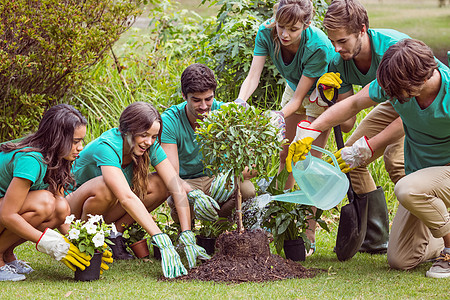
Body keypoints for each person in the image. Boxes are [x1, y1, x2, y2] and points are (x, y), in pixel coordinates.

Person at [288, 38, 450, 277]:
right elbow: (354, 103)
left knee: (407, 189)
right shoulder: (399, 81)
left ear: (421, 79)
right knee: (401, 259)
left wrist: (369, 147)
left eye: (397, 93)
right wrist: (310, 132)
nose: (392, 97)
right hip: (421, 172)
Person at [235, 0, 338, 254]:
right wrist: (239, 102)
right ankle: (278, 225)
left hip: (320, 93)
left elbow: (298, 101)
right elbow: (253, 76)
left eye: (293, 29)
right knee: (285, 156)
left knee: (307, 163)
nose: (284, 34)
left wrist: (277, 116)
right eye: (281, 26)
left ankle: (308, 232)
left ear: (307, 24)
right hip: (296, 86)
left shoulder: (318, 46)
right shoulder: (266, 32)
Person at [309, 0, 413, 254]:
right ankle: (376, 238)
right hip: (391, 102)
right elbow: (346, 124)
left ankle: (419, 229)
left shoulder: (393, 48)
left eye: (342, 41)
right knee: (349, 159)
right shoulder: (339, 61)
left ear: (362, 29)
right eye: (333, 41)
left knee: (397, 162)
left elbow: (415, 106)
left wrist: (374, 145)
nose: (336, 48)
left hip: (416, 102)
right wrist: (327, 98)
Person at [66, 102, 209, 279]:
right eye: (144, 135)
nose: (149, 142)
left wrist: (187, 233)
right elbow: (126, 197)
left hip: (106, 206)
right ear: (127, 131)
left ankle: (112, 234)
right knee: (106, 186)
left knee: (161, 184)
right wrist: (159, 237)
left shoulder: (149, 146)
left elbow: (175, 185)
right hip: (73, 211)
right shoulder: (107, 146)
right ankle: (86, 238)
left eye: (154, 136)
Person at [0, 104, 94, 281]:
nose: (81, 147)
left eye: (81, 140)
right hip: (4, 212)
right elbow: (7, 215)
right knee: (44, 202)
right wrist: (49, 243)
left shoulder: (57, 157)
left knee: (60, 206)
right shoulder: (31, 160)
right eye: (75, 141)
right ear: (57, 138)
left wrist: (82, 243)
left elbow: (61, 212)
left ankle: (6, 254)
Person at [161, 63, 256, 224]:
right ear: (184, 96)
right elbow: (171, 174)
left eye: (208, 99)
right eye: (196, 100)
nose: (204, 106)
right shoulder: (170, 121)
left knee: (247, 190)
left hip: (219, 179)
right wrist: (194, 195)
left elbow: (253, 168)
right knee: (174, 196)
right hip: (188, 181)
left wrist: (229, 178)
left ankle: (219, 225)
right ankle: (187, 230)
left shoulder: (227, 113)